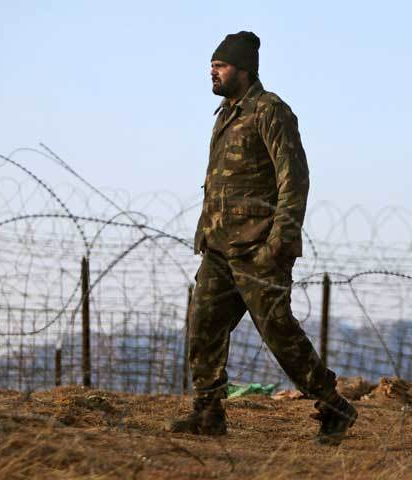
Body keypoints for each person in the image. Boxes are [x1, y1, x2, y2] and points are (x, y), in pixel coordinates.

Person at [166, 31, 357, 445]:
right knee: (203, 327)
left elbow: (294, 178)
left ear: (243, 68)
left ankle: (333, 405)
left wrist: (279, 242)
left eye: (220, 65)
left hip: (257, 248)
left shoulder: (270, 111)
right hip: (218, 247)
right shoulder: (224, 114)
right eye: (212, 65)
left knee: (278, 332)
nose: (212, 71)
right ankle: (208, 412)